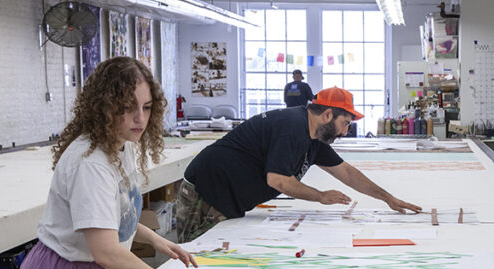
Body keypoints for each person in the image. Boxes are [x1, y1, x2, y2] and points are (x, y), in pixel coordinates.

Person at [17, 57, 213, 269]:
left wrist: (154, 239)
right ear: (105, 106)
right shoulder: (91, 163)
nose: (139, 118)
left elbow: (115, 213)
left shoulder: (121, 144)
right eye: (127, 107)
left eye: (146, 107)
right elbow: (107, 251)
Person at [177, 87, 421, 242]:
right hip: (205, 194)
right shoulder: (293, 127)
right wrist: (320, 196)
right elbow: (278, 179)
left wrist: (388, 198)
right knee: (193, 260)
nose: (345, 132)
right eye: (345, 123)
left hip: (227, 198)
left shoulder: (314, 138)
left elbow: (346, 172)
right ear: (327, 115)